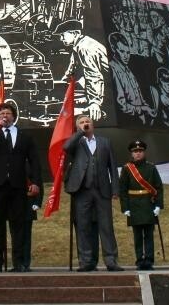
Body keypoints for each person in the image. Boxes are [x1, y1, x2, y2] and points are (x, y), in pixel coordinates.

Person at [0, 101, 41, 272]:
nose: (5, 116)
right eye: (2, 114)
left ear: (14, 116)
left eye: (8, 113)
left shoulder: (24, 136)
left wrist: (35, 182)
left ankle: (17, 262)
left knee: (17, 224)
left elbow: (34, 161)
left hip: (18, 185)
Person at [63, 113, 121, 271]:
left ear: (93, 124)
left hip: (102, 189)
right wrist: (80, 133)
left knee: (106, 226)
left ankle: (111, 260)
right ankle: (86, 261)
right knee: (83, 226)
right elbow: (66, 147)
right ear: (77, 126)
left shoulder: (105, 142)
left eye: (87, 121)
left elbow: (113, 167)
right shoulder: (76, 142)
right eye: (81, 122)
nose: (85, 123)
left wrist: (115, 189)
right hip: (82, 190)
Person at [118, 139, 163, 271]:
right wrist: (125, 207)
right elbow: (123, 189)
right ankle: (139, 260)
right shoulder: (127, 169)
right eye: (135, 151)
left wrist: (158, 206)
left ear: (144, 152)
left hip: (148, 204)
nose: (138, 154)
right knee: (137, 235)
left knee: (149, 234)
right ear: (131, 154)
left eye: (140, 151)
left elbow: (159, 187)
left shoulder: (151, 167)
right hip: (134, 205)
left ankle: (149, 260)